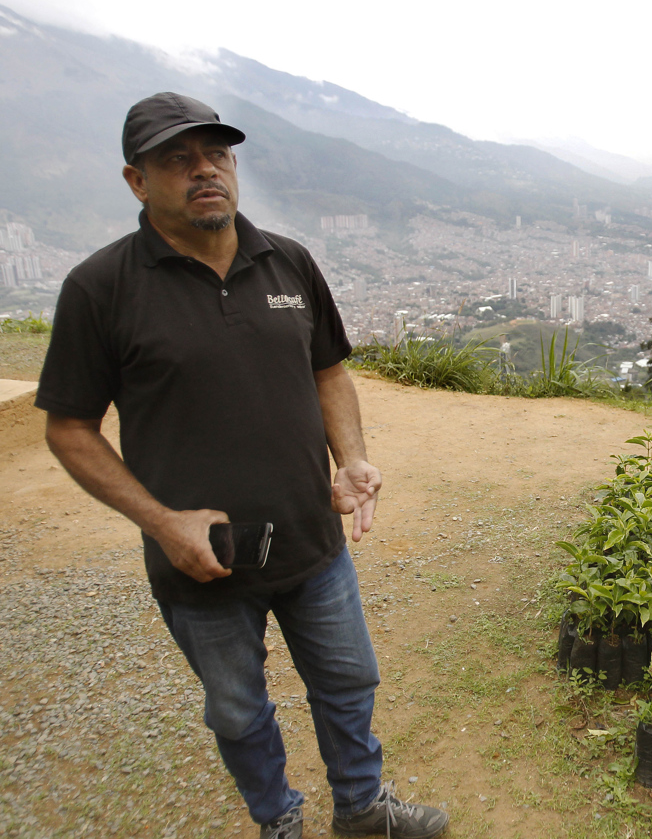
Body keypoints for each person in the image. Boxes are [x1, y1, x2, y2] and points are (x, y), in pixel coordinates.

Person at [34, 92, 448, 839]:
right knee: (237, 707)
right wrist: (162, 522)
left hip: (309, 536)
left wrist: (352, 458)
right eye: (177, 159)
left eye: (217, 154)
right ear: (137, 181)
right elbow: (69, 427)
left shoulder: (288, 260)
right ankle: (277, 820)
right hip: (203, 562)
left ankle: (360, 807)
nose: (204, 171)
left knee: (350, 679)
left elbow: (328, 371)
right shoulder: (101, 288)